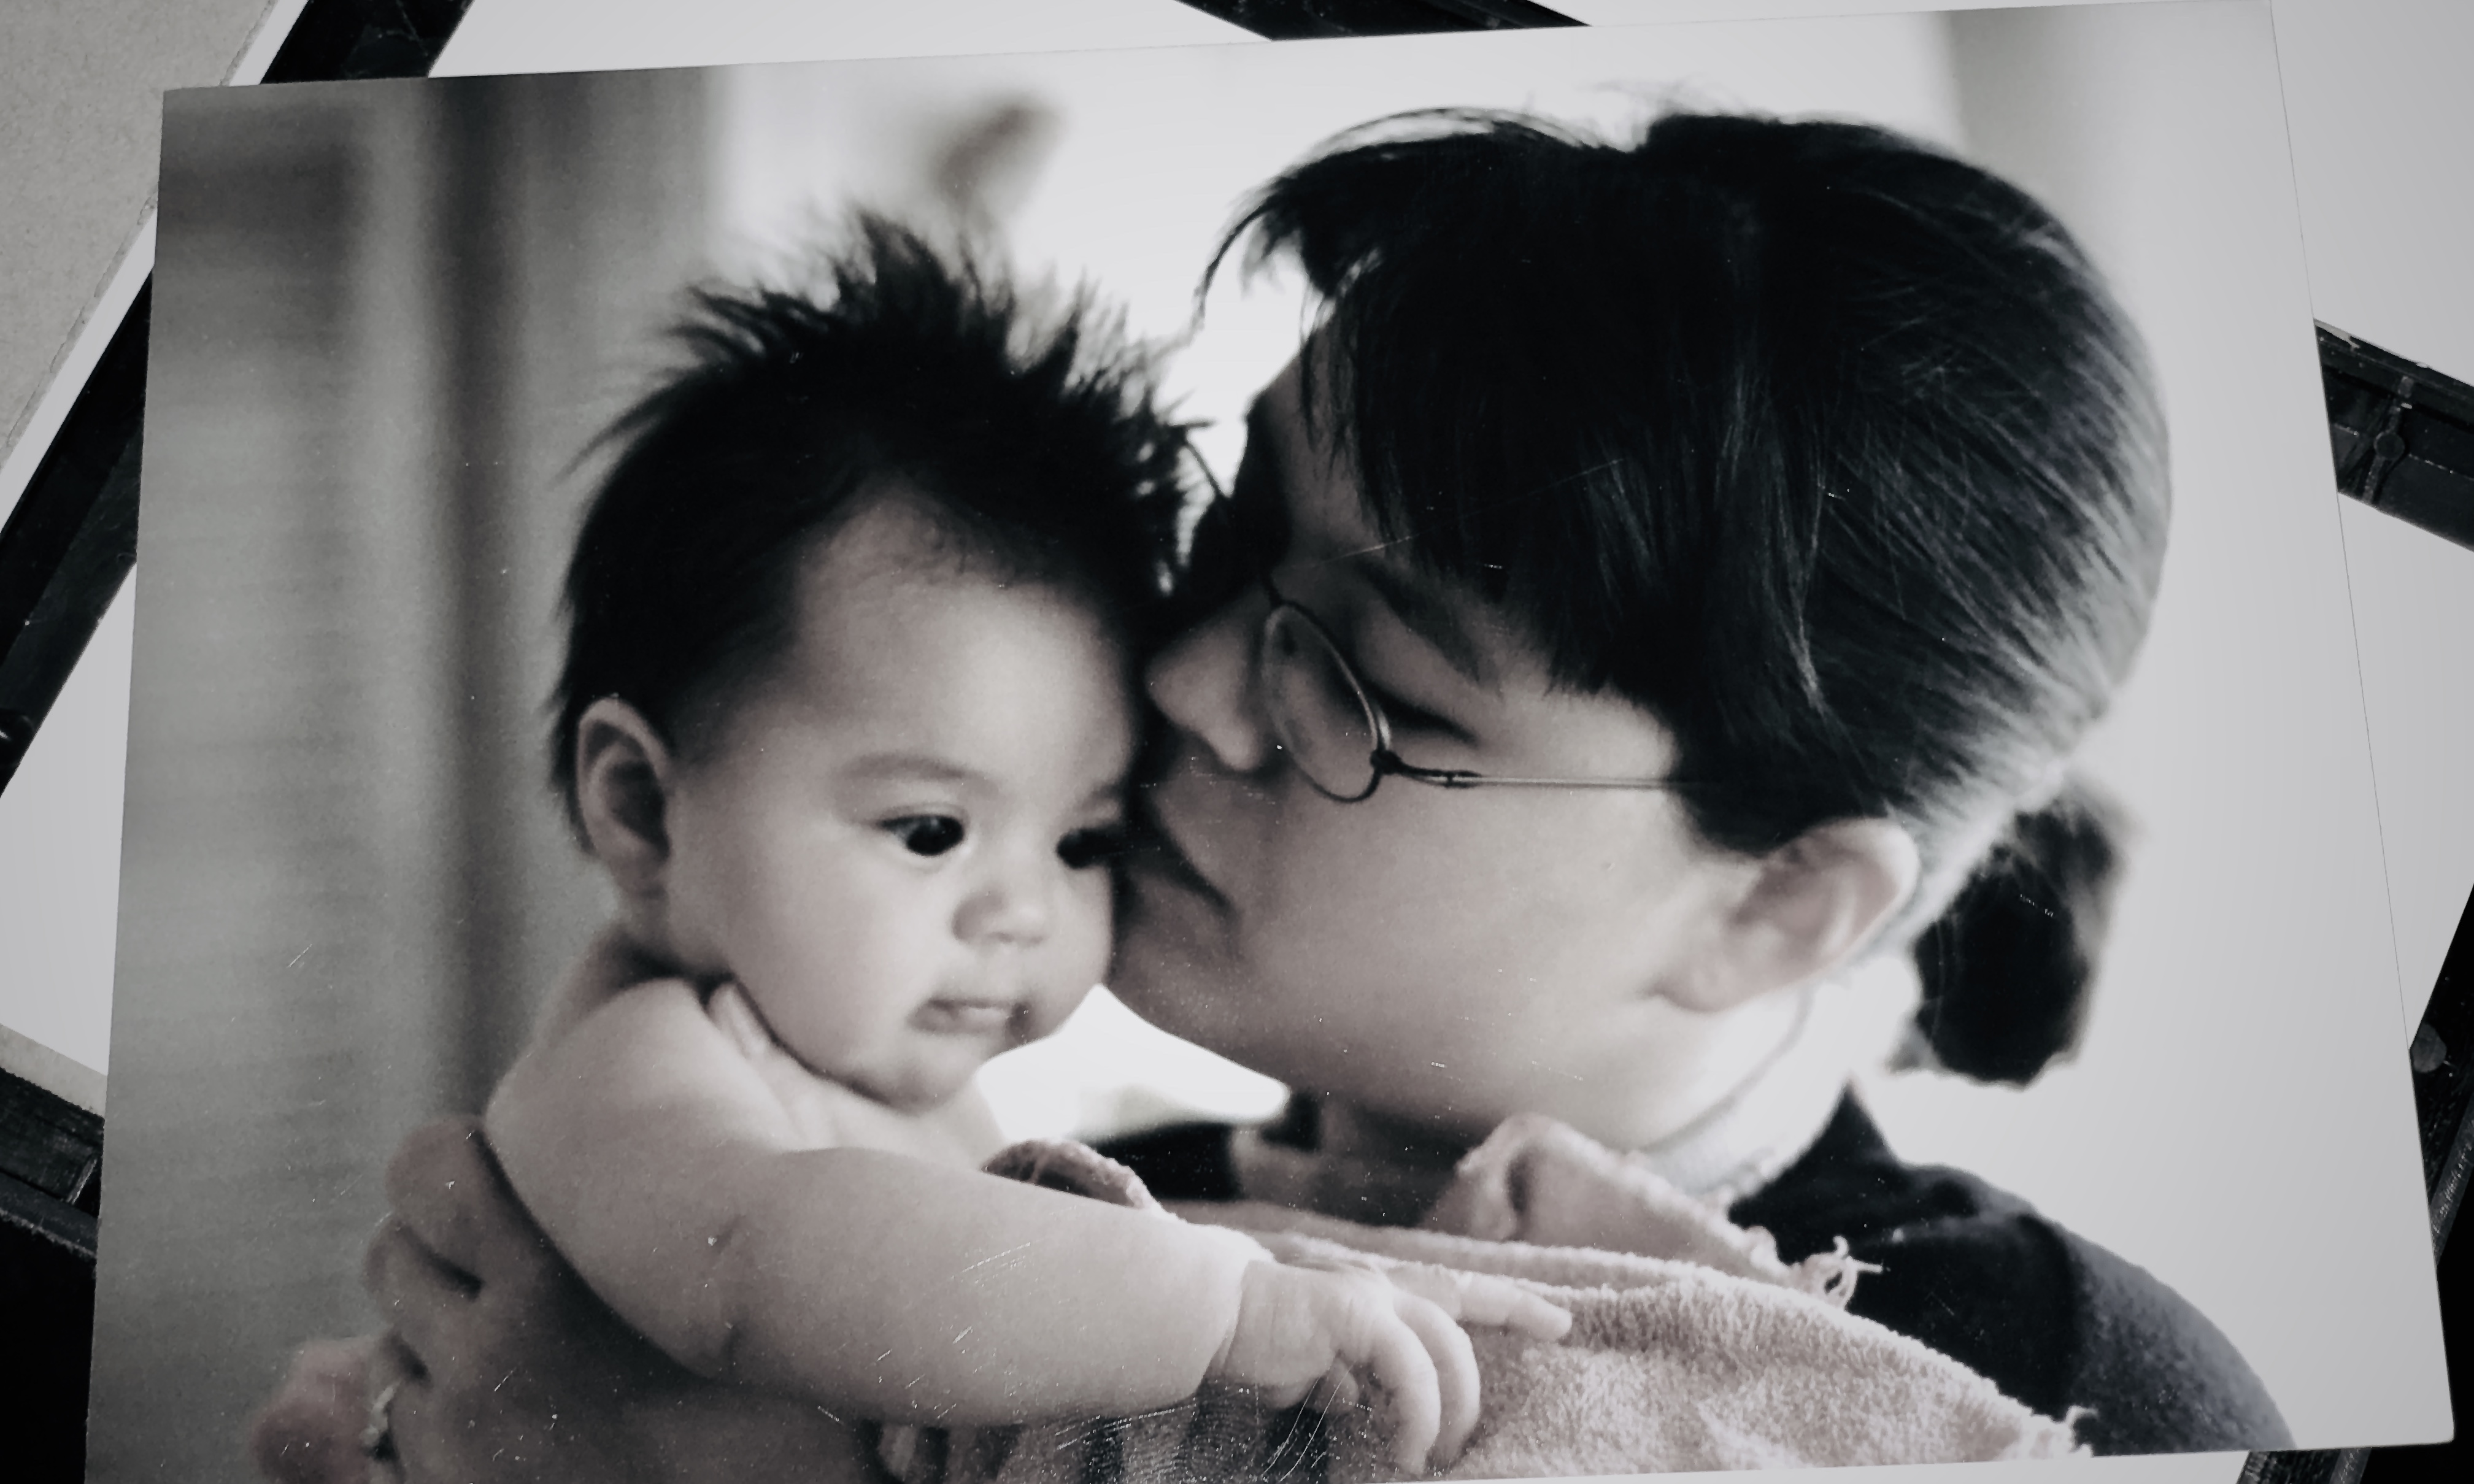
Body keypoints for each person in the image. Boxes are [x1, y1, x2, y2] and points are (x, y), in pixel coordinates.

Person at [257, 110, 2292, 1484]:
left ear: (1777, 902)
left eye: (1364, 680)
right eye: (1240, 538)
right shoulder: (1097, 1226)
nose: (1181, 678)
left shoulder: (2048, 1394)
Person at [371, 217, 1572, 1482]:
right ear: (641, 810)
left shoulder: (886, 1075)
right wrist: (1220, 1309)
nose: (1020, 914)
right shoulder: (637, 1063)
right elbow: (758, 1265)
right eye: (932, 830)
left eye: (1082, 840)